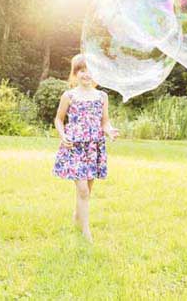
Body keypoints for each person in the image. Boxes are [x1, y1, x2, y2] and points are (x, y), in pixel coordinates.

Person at [53, 54, 119, 242]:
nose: (86, 74)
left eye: (89, 70)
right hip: (75, 146)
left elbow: (104, 122)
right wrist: (62, 134)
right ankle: (85, 230)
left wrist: (110, 131)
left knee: (87, 189)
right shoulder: (69, 95)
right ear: (75, 73)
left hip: (93, 146)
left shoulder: (101, 96)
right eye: (82, 70)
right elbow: (59, 118)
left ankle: (77, 215)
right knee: (82, 189)